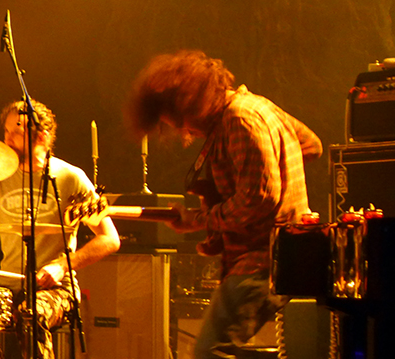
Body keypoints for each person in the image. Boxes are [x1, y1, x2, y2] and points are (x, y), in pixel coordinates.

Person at [125, 50, 322, 359]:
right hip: (284, 254)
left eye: (180, 121)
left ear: (191, 102)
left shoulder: (238, 120)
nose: (185, 131)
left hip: (264, 258)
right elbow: (311, 145)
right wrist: (279, 168)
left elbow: (258, 198)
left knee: (211, 351)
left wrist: (201, 220)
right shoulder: (258, 105)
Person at [0, 99, 121, 359]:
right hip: (6, 290)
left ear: (41, 136)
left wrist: (62, 266)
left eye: (16, 132)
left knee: (31, 314)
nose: (7, 139)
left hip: (57, 289)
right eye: (6, 131)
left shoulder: (70, 177)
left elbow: (110, 239)